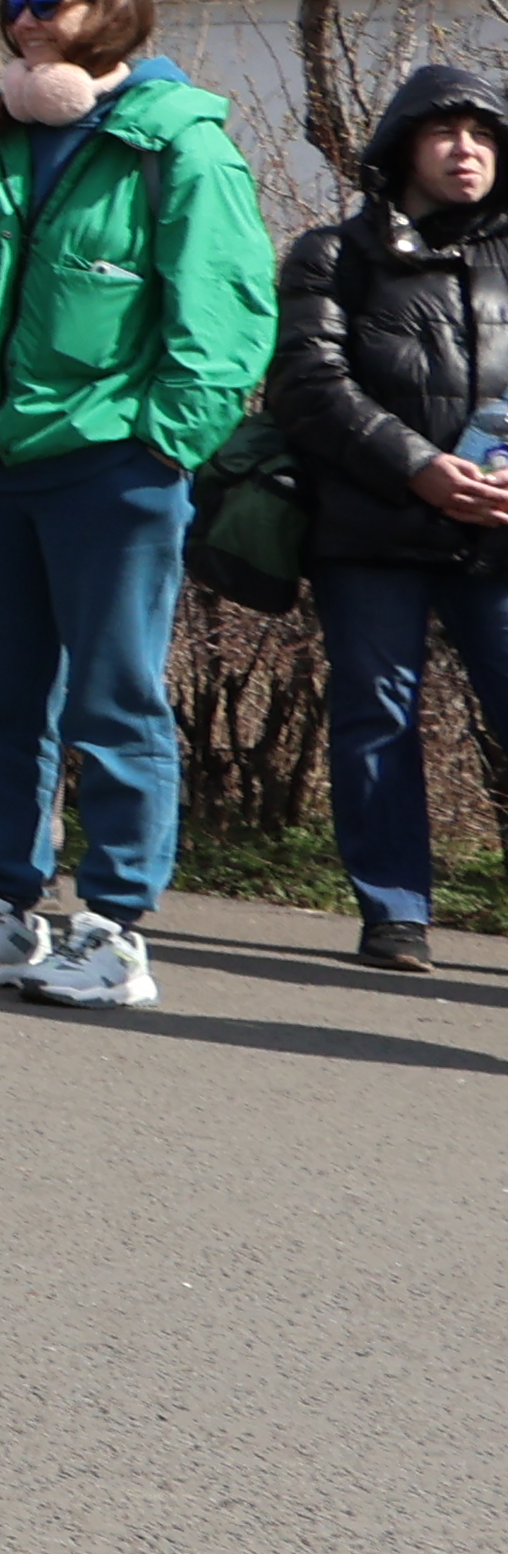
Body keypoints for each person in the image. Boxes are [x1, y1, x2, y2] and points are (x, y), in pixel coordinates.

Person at [0, 0, 271, 1011]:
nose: (21, 18)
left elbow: (227, 315)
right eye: (13, 2)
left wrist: (163, 442)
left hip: (110, 470)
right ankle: (3, 911)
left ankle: (114, 930)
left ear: (108, 7)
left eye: (45, 1)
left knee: (114, 701)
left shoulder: (177, 147)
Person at [273, 63, 508, 973]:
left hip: (498, 529)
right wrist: (417, 468)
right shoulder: (333, 254)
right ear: (403, 144)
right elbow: (305, 384)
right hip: (372, 527)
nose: (467, 150)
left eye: (485, 135)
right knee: (377, 714)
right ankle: (395, 911)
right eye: (448, 132)